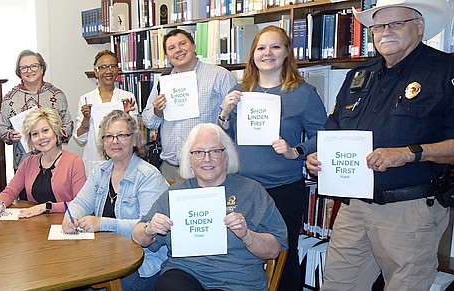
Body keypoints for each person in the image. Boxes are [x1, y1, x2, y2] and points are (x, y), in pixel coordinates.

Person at [305, 0, 454, 289]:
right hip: (354, 208)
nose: (386, 31)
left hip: (409, 210)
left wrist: (409, 154)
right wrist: (319, 156)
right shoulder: (359, 75)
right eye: (379, 25)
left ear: (419, 27)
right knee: (337, 285)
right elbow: (334, 129)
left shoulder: (444, 72)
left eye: (397, 23)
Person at [217, 25, 327, 291]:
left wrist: (295, 151)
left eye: (275, 47)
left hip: (283, 188)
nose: (268, 53)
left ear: (287, 52)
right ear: (253, 53)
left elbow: (323, 135)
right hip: (240, 187)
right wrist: (224, 113)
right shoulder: (240, 90)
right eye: (261, 47)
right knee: (239, 250)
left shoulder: (304, 93)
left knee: (281, 255)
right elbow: (224, 137)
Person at [132, 123, 287, 290]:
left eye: (215, 151)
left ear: (226, 156)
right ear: (189, 159)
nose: (207, 159)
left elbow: (274, 249)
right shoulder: (177, 193)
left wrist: (247, 235)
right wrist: (149, 229)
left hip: (237, 280)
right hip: (186, 273)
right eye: (198, 152)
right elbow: (138, 236)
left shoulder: (252, 191)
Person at [63, 110, 168, 291]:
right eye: (109, 136)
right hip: (105, 256)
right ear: (103, 142)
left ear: (135, 140)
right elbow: (80, 203)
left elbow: (147, 227)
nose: (115, 141)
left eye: (122, 135)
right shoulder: (100, 171)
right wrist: (69, 217)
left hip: (142, 262)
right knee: (68, 279)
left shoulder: (149, 176)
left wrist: (102, 223)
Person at [141, 29, 236, 184]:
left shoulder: (218, 75)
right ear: (167, 56)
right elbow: (148, 121)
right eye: (171, 48)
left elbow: (234, 118)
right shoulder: (163, 81)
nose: (178, 50)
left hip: (206, 167)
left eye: (182, 44)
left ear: (193, 45)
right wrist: (157, 111)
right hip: (170, 167)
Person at [0, 107, 86, 218]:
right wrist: (0, 204)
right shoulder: (28, 163)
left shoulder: (74, 162)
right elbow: (10, 191)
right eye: (35, 134)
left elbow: (81, 204)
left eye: (45, 131)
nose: (41, 137)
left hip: (65, 225)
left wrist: (46, 207)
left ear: (55, 131)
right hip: (35, 225)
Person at [0, 50, 74, 171]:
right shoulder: (9, 98)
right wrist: (10, 135)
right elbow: (2, 127)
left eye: (34, 66)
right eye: (24, 68)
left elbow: (68, 124)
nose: (29, 70)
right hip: (23, 163)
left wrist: (58, 133)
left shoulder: (57, 95)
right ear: (19, 72)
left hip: (54, 162)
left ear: (42, 68)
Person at [74, 50, 137, 174]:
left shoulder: (127, 97)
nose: (108, 71)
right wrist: (86, 118)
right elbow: (80, 138)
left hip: (122, 158)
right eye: (103, 67)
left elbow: (135, 135)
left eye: (112, 66)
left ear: (117, 70)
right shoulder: (86, 99)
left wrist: (127, 115)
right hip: (94, 160)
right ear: (96, 71)